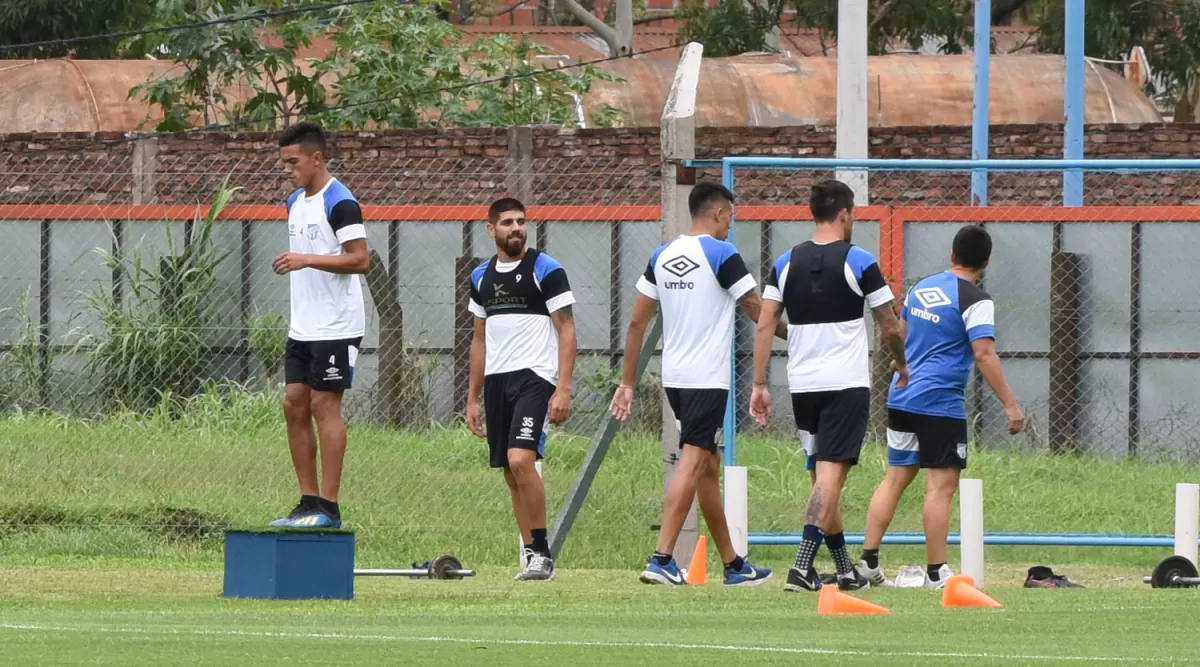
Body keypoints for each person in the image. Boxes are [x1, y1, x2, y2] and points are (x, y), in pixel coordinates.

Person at [611, 181, 781, 587]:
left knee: (706, 466)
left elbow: (637, 322)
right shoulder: (723, 253)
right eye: (730, 218)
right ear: (719, 213)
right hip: (707, 378)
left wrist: (628, 382)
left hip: (675, 378)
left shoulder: (662, 254)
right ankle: (661, 557)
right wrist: (795, 333)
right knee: (693, 458)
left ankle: (733, 565)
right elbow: (756, 308)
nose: (730, 227)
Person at [750, 179, 908, 592]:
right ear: (845, 214)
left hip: (802, 384)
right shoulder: (859, 261)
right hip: (844, 384)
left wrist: (759, 383)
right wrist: (901, 361)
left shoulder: (784, 262)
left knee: (822, 474)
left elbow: (765, 322)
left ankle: (843, 569)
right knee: (830, 477)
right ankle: (802, 567)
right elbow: (889, 324)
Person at [855, 225, 1025, 589]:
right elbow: (983, 353)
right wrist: (1010, 404)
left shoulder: (922, 287)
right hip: (940, 403)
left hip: (902, 395)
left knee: (895, 477)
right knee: (941, 487)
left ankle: (868, 562)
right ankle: (936, 572)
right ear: (986, 262)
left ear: (952, 255)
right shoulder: (976, 299)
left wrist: (898, 364)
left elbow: (899, 331)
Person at [465, 197, 577, 582]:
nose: (516, 228)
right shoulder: (481, 276)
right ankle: (532, 555)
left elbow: (567, 329)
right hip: (498, 381)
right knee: (510, 473)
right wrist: (472, 398)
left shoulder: (546, 270)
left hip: (536, 378)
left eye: (521, 221)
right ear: (491, 228)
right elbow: (478, 340)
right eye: (508, 222)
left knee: (520, 460)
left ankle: (544, 554)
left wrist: (563, 388)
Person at [270, 122, 369, 529]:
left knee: (323, 406)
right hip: (304, 326)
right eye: (283, 163)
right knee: (294, 404)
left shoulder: (341, 201)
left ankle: (328, 507)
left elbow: (360, 259)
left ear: (317, 158)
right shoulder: (294, 200)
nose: (287, 170)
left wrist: (307, 259)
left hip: (337, 325)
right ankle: (307, 501)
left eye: (293, 162)